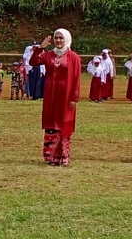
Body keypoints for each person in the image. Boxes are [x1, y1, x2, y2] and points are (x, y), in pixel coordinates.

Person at [29, 29, 81, 166]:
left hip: (66, 97)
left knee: (64, 124)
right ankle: (50, 156)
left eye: (61, 38)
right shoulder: (48, 55)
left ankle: (63, 156)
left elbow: (76, 78)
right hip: (50, 96)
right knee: (51, 124)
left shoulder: (73, 57)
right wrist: (40, 48)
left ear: (67, 39)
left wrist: (74, 98)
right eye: (56, 38)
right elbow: (33, 62)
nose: (58, 41)